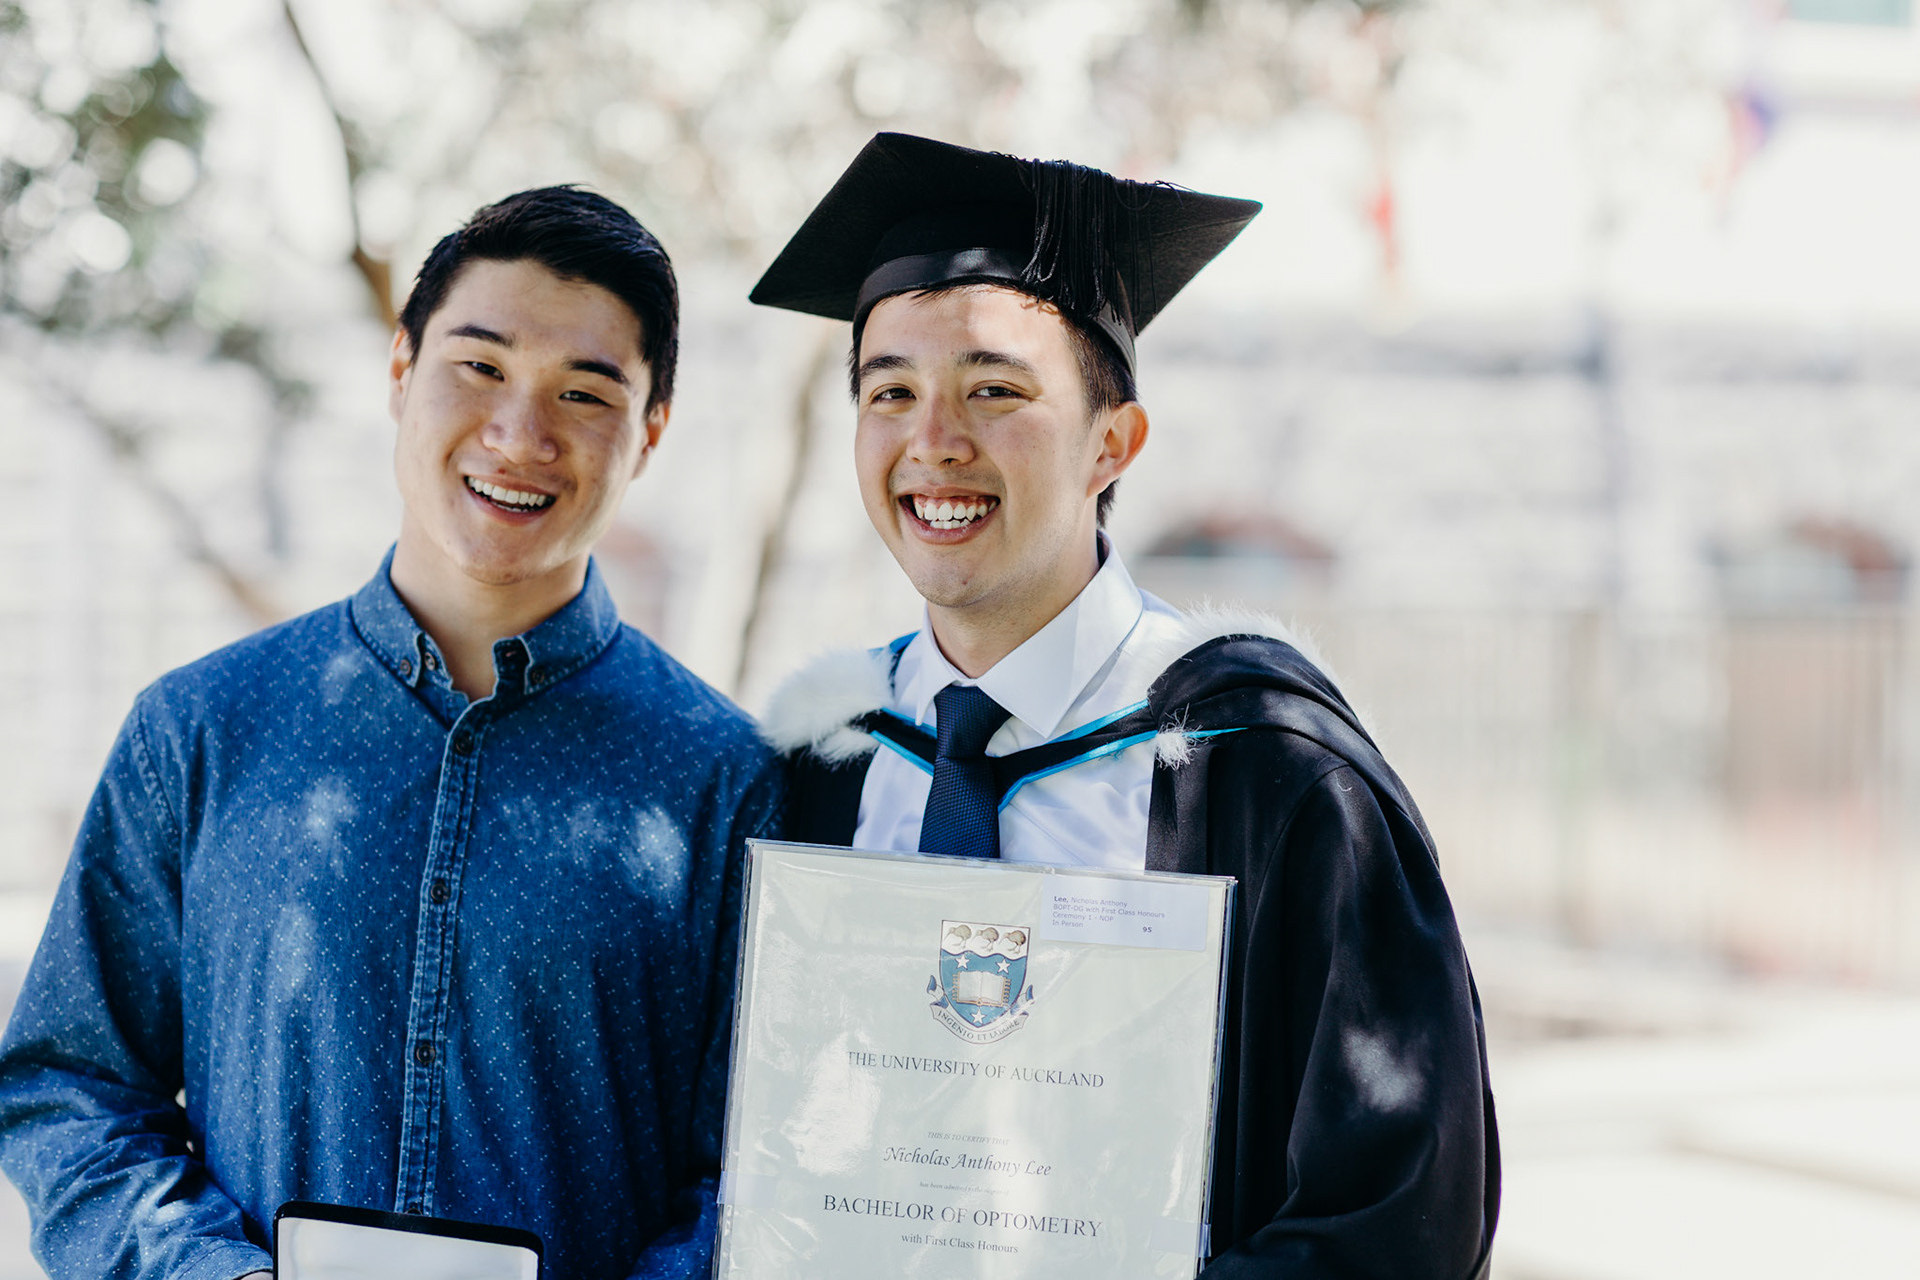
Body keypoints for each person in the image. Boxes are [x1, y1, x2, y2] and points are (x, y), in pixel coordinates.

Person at [750, 133, 1498, 1278]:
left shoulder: (1268, 771)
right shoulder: (820, 764)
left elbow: (1400, 1217)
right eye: (889, 391)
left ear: (1113, 442)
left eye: (995, 390)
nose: (933, 441)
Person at [0, 187, 780, 1280]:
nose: (520, 434)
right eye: (480, 366)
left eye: (584, 392)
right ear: (401, 369)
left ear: (649, 431)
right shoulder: (200, 728)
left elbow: (758, 1170)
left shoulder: (726, 780)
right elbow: (69, 1084)